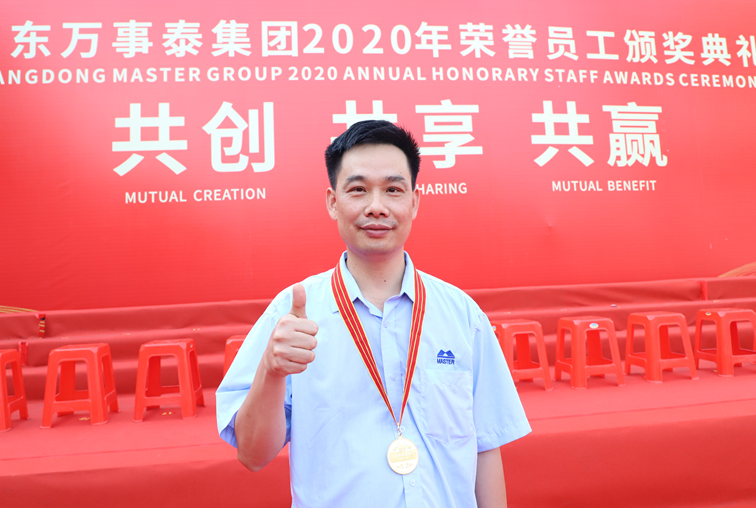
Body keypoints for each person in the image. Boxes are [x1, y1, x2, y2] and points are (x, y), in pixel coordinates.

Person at [216, 120, 530, 508]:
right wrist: (271, 370)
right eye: (358, 190)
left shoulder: (462, 314)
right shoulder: (291, 317)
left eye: (393, 190)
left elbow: (484, 446)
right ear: (333, 202)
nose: (376, 206)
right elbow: (252, 455)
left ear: (414, 202)